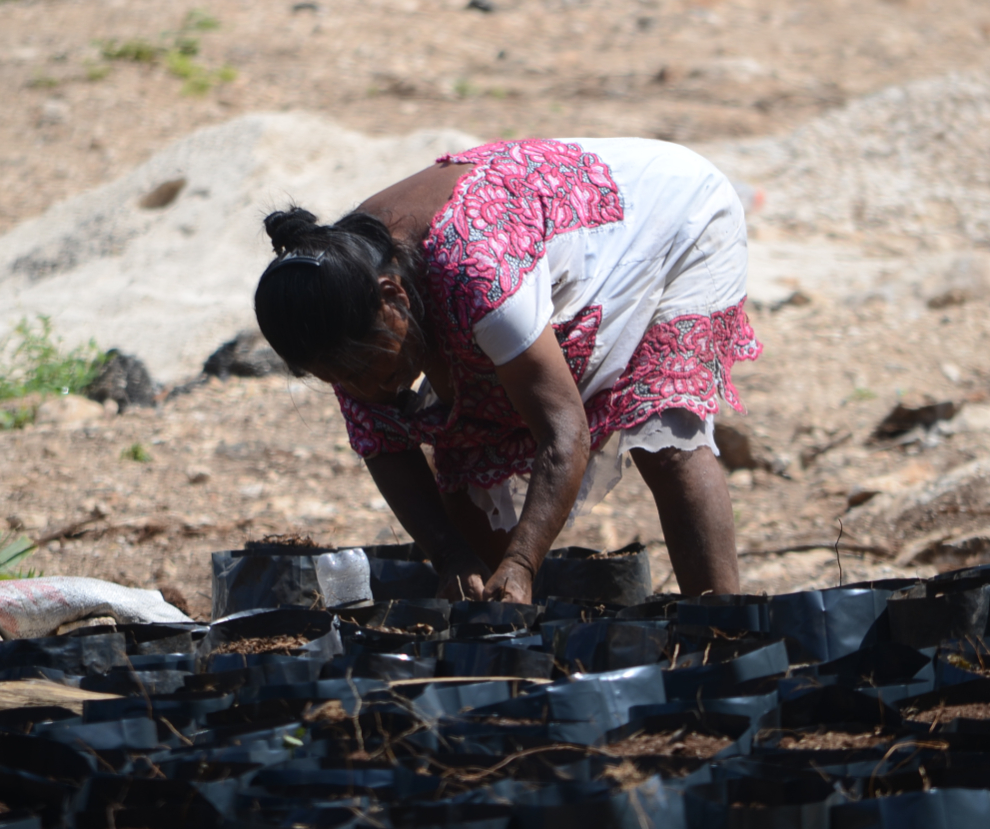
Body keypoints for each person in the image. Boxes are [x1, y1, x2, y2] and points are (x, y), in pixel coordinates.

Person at [254, 138, 761, 603]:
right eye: (338, 380)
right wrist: (450, 556)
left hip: (672, 218)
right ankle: (502, 634)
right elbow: (384, 444)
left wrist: (523, 562)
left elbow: (564, 433)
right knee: (468, 453)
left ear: (394, 298)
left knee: (665, 434)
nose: (361, 389)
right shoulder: (336, 301)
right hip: (533, 258)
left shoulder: (474, 265)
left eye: (364, 367)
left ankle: (718, 630)